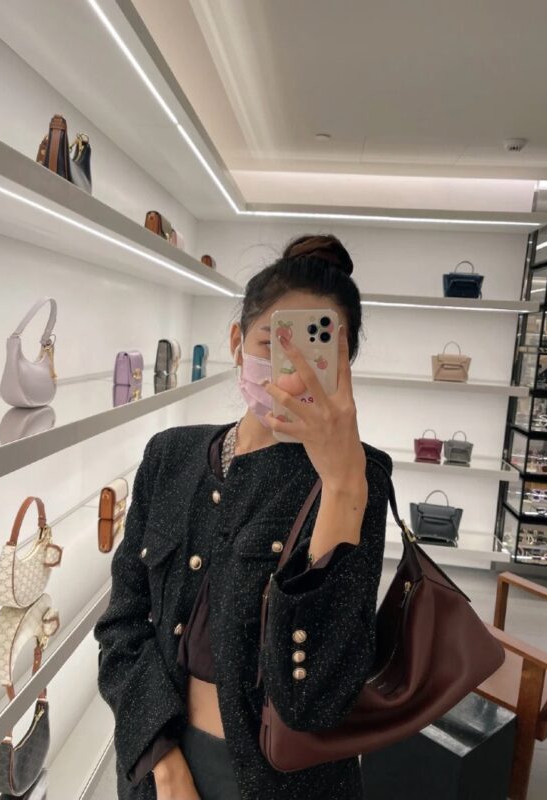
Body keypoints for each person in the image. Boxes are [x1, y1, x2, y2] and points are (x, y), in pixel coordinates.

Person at [93, 234, 393, 800]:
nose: (294, 376)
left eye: (319, 357)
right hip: (158, 767)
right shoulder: (170, 456)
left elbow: (315, 702)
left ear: (344, 369)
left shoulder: (360, 480)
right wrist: (163, 763)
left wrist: (342, 488)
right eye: (274, 346)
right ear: (236, 342)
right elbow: (122, 625)